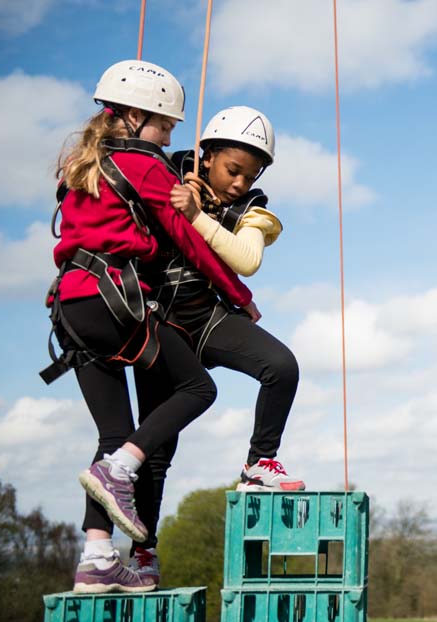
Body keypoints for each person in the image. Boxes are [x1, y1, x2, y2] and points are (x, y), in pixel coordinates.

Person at [45, 60, 254, 594]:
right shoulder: (144, 164)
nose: (170, 136)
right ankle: (123, 472)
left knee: (114, 437)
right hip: (114, 301)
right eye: (165, 124)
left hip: (71, 308)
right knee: (197, 387)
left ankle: (96, 557)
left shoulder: (80, 164)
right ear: (136, 116)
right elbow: (188, 241)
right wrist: (238, 296)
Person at [128, 106, 303, 584]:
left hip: (207, 318)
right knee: (158, 449)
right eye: (232, 170)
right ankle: (143, 551)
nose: (240, 184)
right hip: (160, 325)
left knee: (281, 366)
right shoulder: (163, 174)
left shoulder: (255, 210)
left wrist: (194, 217)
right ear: (205, 158)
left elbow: (246, 260)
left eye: (250, 175)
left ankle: (257, 465)